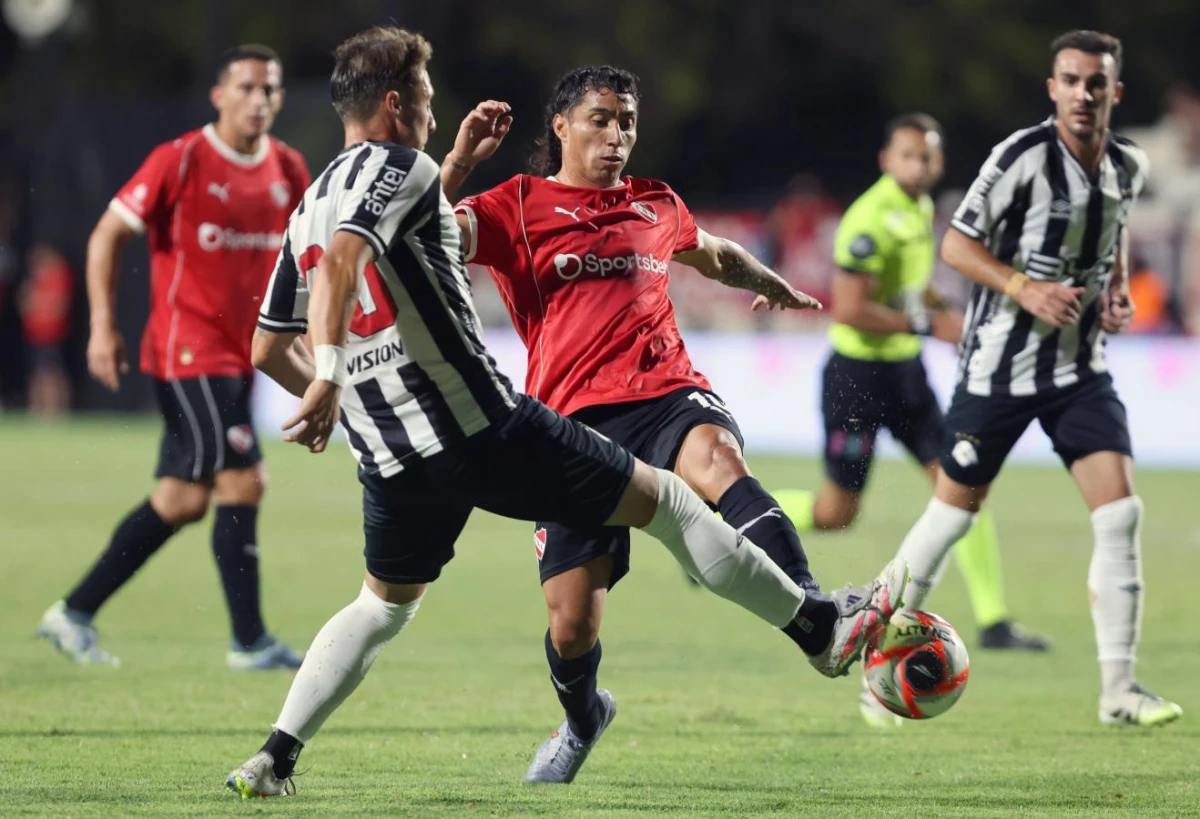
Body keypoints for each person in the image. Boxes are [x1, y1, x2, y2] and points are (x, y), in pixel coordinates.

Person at [225, 26, 909, 798]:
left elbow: (264, 344)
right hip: (494, 422)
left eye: (627, 122)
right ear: (397, 102)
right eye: (422, 95)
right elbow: (371, 253)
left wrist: (339, 396)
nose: (430, 108)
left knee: (383, 605)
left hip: (416, 447)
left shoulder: (310, 205)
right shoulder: (438, 179)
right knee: (622, 561)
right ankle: (794, 638)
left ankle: (273, 757)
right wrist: (329, 375)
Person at [452, 65, 841, 783]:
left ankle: (818, 616)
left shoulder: (654, 202)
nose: (617, 134)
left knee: (720, 462)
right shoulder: (514, 205)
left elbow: (714, 253)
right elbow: (422, 235)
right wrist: (457, 164)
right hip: (569, 425)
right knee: (572, 625)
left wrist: (769, 283)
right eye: (601, 118)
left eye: (627, 121)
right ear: (561, 126)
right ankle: (582, 716)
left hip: (665, 392)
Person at [890, 30, 1181, 726]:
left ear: (1116, 91)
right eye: (1071, 80)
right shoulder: (1020, 158)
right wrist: (1023, 287)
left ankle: (1118, 691)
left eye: (1096, 81)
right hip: (999, 367)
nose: (1084, 92)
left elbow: (1111, 234)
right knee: (950, 518)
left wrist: (1114, 290)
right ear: (1053, 89)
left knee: (1120, 515)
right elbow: (957, 242)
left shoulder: (1128, 164)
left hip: (1080, 370)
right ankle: (872, 651)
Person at [36, 45, 311, 670]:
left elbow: (308, 264)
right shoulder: (181, 159)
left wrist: (309, 343)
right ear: (219, 95)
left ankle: (72, 613)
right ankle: (251, 642)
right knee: (244, 478)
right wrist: (102, 326)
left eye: (269, 89)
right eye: (245, 87)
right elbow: (107, 233)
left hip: (241, 360)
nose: (258, 99)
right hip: (186, 352)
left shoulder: (290, 169)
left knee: (182, 501)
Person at [772, 114, 1049, 720]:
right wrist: (929, 324)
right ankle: (729, 518)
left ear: (937, 164)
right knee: (835, 514)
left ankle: (995, 619)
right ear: (885, 159)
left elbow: (913, 287)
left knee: (962, 488)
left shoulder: (921, 211)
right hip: (856, 379)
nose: (918, 166)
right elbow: (848, 310)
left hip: (906, 377)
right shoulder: (869, 219)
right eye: (908, 156)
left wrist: (947, 315)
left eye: (927, 157)